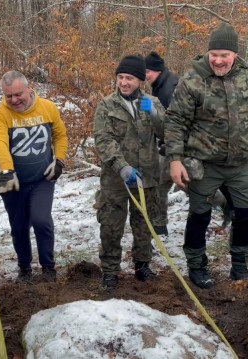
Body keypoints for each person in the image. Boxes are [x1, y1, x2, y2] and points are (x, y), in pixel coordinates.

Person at [166, 22, 248, 289]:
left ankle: (240, 265)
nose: (218, 60)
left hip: (238, 164)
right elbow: (175, 121)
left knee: (246, 209)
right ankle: (197, 266)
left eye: (224, 55)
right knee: (200, 214)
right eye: (214, 55)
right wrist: (175, 159)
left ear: (235, 54)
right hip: (204, 163)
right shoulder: (193, 80)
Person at [93, 54, 166, 289]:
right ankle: (110, 271)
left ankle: (142, 265)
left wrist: (155, 116)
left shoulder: (152, 102)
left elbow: (168, 133)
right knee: (111, 225)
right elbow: (104, 140)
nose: (124, 82)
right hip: (116, 179)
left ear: (141, 80)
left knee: (144, 223)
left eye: (130, 78)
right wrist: (122, 166)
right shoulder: (106, 105)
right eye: (121, 77)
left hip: (148, 176)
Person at [0, 70, 68, 283]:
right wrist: (6, 170)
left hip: (42, 178)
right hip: (13, 181)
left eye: (18, 95)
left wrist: (59, 160)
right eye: (8, 96)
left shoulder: (48, 108)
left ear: (29, 90)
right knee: (19, 226)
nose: (13, 100)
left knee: (41, 220)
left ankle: (48, 267)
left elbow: (60, 135)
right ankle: (24, 267)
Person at [144, 51, 179, 237]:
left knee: (165, 184)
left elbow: (175, 122)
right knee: (166, 184)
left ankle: (159, 225)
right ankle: (160, 225)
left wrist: (169, 146)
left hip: (175, 146)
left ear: (158, 70)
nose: (145, 75)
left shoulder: (168, 89)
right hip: (171, 145)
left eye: (148, 71)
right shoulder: (162, 84)